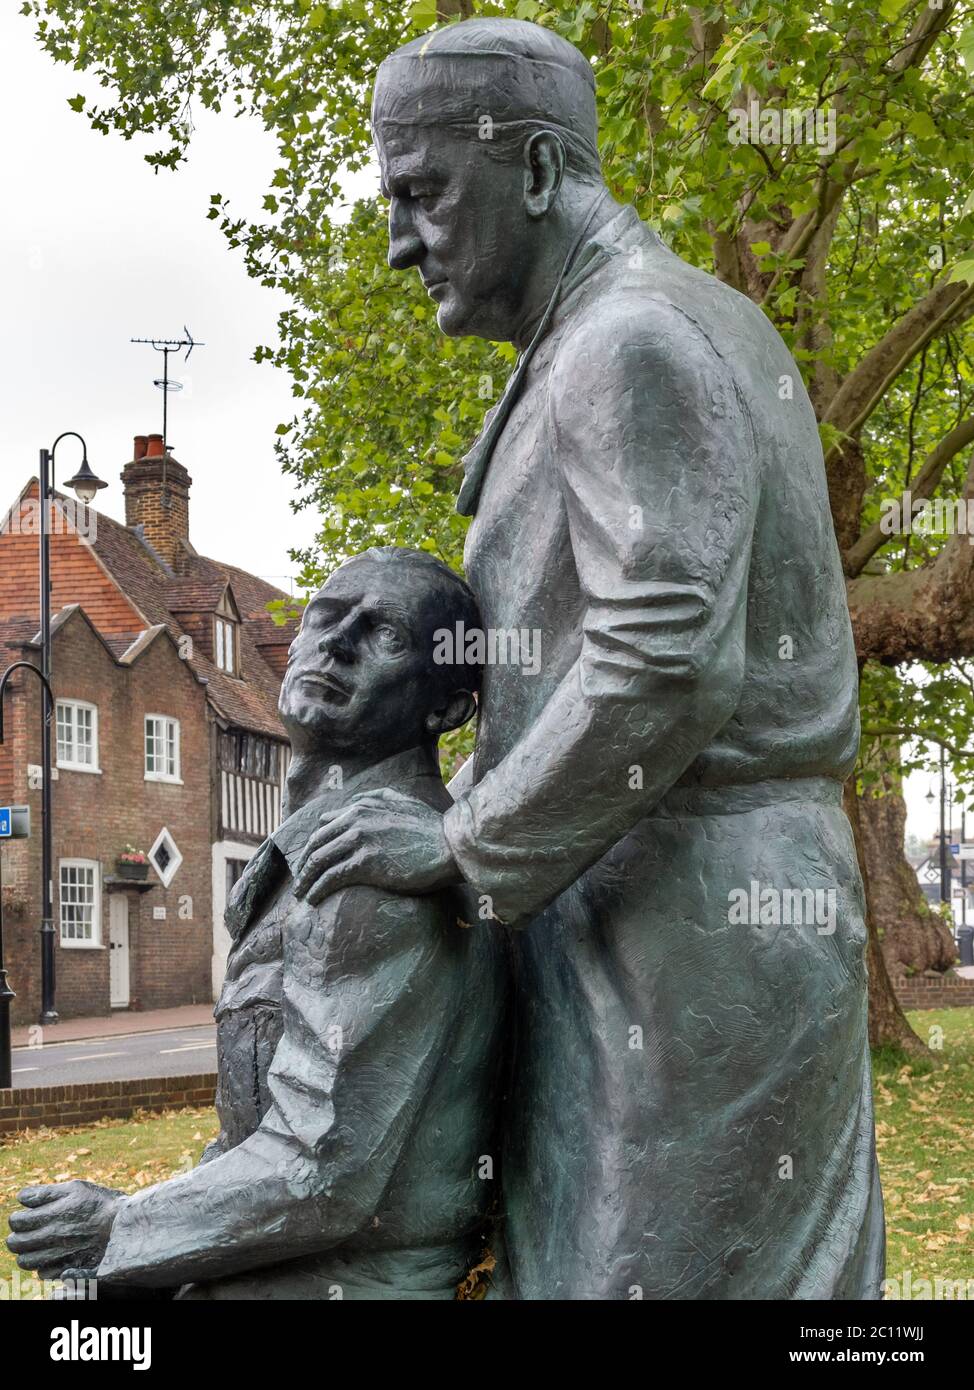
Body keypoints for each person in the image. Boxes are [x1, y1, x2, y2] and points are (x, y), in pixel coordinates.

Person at [291, 18, 885, 1299]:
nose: (399, 239)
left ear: (542, 171)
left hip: (685, 927)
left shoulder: (626, 339)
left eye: (423, 191)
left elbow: (662, 654)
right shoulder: (631, 331)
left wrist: (460, 843)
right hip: (653, 905)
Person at [7, 547, 509, 1301]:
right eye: (325, 620)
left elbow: (321, 1174)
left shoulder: (373, 875)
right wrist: (132, 1257)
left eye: (385, 637)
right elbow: (260, 1137)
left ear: (447, 709)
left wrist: (118, 1228)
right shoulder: (311, 858)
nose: (334, 646)